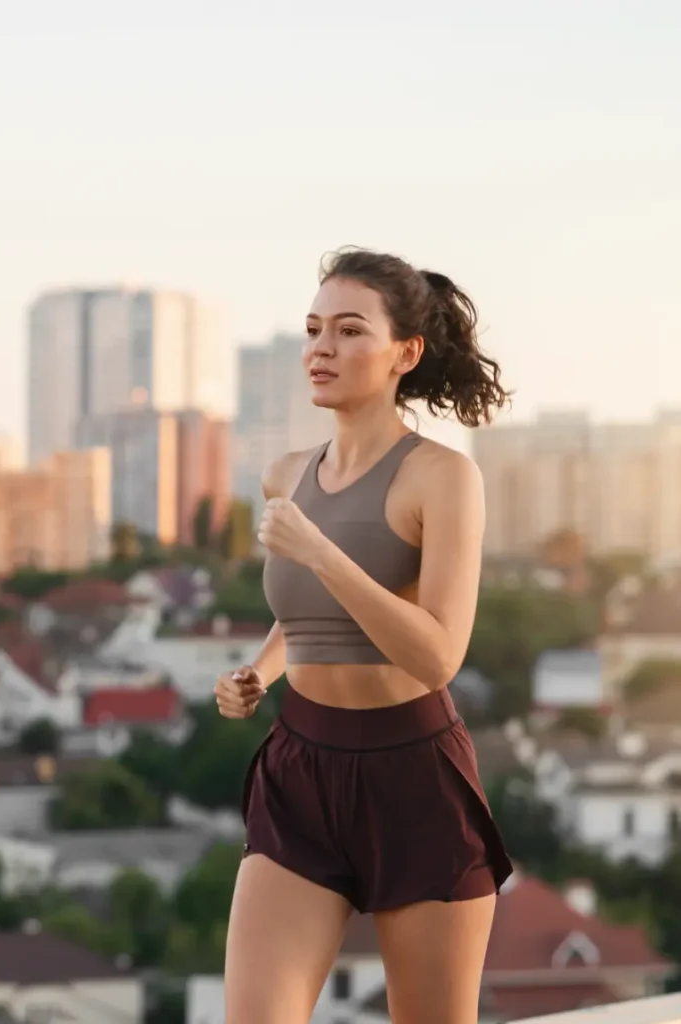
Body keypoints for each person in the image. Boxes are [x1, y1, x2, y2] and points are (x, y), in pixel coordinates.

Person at [214, 247, 514, 1024]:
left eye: (349, 330)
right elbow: (306, 609)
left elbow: (438, 652)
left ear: (404, 354)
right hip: (300, 774)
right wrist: (260, 670)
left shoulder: (442, 478)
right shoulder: (286, 473)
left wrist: (320, 548)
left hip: (413, 780)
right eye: (314, 329)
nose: (322, 348)